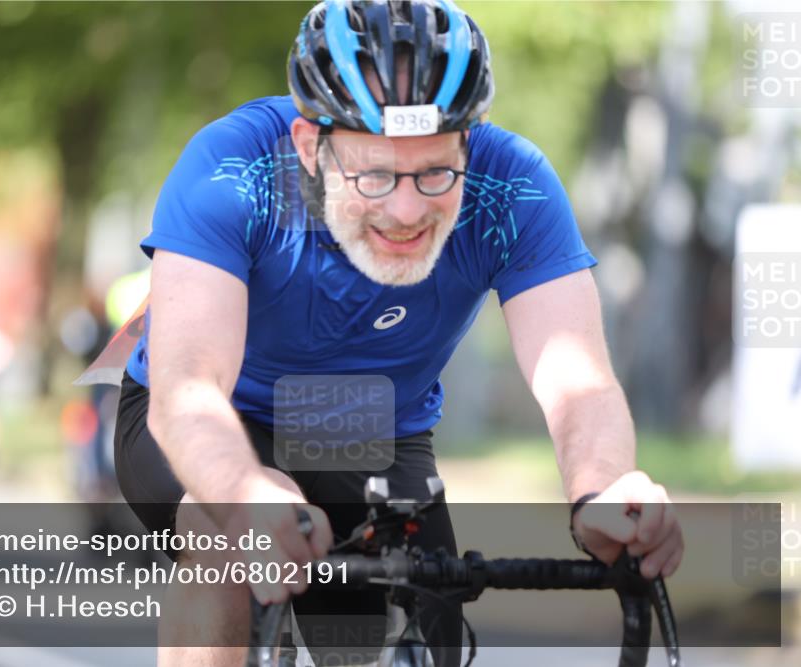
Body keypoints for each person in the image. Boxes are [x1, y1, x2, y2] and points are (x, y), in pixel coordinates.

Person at [114, 1, 684, 665]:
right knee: (222, 550)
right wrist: (246, 493)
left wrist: (603, 489)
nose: (407, 210)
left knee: (408, 622)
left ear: (469, 142)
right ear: (310, 144)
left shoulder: (514, 187)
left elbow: (578, 382)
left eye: (436, 171)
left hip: (366, 426)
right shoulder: (232, 171)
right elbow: (188, 390)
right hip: (216, 416)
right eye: (375, 174)